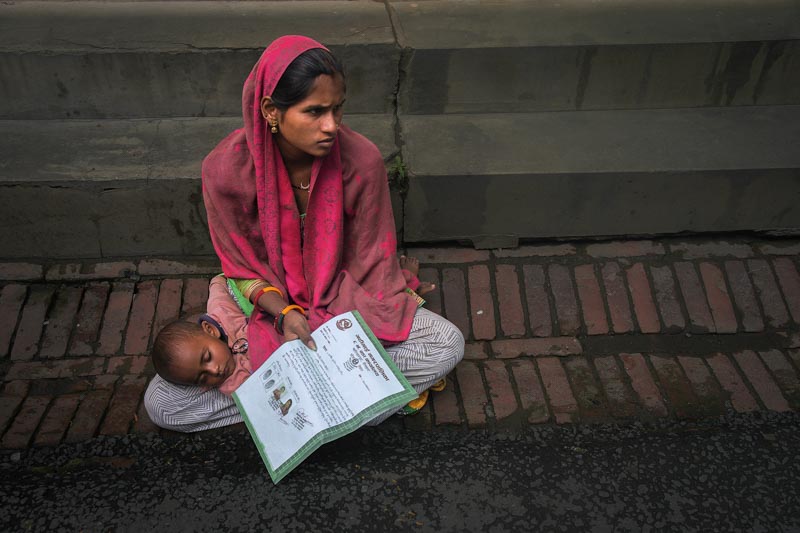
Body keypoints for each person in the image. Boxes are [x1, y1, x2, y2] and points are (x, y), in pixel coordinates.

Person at [144, 35, 464, 432]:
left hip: (347, 300)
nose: (330, 125)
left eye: (337, 109)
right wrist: (286, 314)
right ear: (270, 111)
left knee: (445, 344)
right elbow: (240, 269)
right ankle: (345, 406)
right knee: (163, 405)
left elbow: (373, 262)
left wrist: (335, 327)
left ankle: (294, 416)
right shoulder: (224, 172)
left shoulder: (361, 161)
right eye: (314, 111)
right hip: (267, 312)